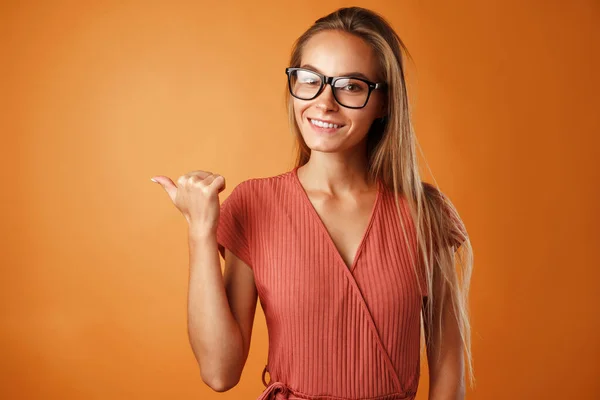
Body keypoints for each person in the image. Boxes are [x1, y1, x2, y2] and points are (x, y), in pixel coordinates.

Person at [151, 6, 474, 400]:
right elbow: (220, 372)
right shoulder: (255, 203)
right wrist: (200, 231)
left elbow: (447, 364)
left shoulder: (426, 213)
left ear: (385, 103)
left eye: (351, 86)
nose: (324, 103)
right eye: (310, 80)